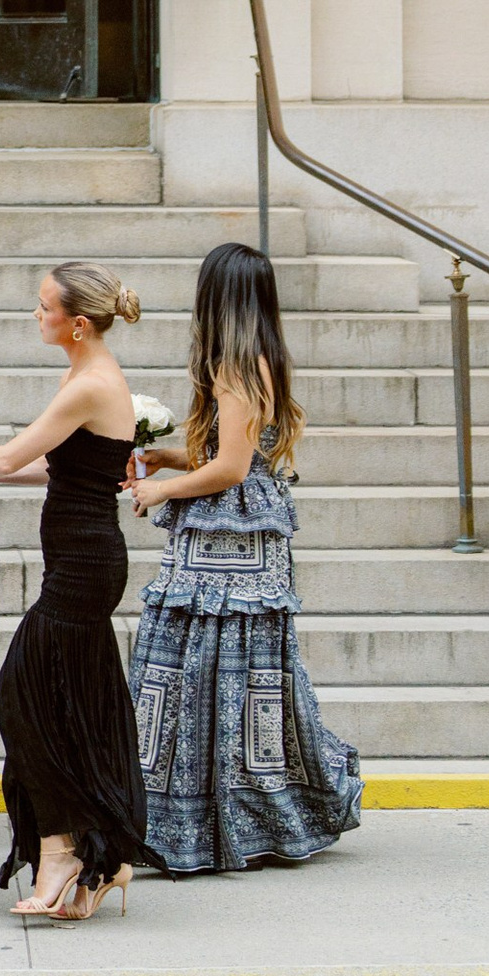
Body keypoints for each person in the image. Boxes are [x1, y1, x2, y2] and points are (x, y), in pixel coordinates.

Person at [0, 259, 147, 922]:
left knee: (22, 695)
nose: (36, 316)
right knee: (72, 705)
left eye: (44, 308)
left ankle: (62, 852)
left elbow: (16, 456)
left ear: (77, 324)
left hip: (83, 566)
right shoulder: (89, 374)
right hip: (82, 561)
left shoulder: (90, 381)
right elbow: (53, 467)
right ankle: (96, 856)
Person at [126, 239, 361, 875]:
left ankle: (199, 819)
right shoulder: (260, 359)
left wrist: (160, 487)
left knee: (191, 670)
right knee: (238, 674)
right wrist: (167, 456)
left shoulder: (234, 367)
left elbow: (230, 468)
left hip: (226, 546)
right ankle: (246, 813)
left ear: (217, 298)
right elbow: (238, 457)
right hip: (249, 540)